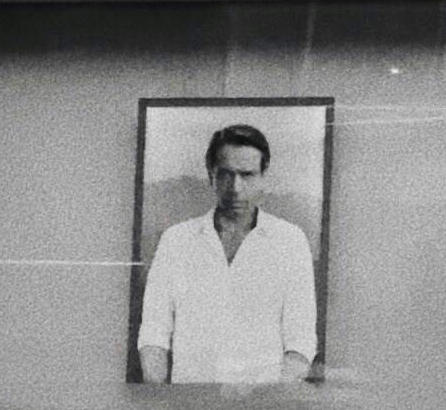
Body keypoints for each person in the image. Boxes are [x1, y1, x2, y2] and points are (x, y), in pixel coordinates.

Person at [136, 121, 319, 387]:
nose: (235, 188)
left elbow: (300, 341)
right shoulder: (176, 240)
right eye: (226, 174)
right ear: (211, 174)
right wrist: (160, 399)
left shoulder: (290, 241)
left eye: (247, 175)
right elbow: (154, 331)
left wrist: (271, 402)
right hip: (189, 407)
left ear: (262, 176)